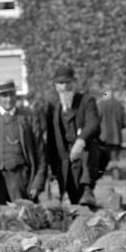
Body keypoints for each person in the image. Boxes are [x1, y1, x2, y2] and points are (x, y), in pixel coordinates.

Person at [0, 81, 46, 205]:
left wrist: (37, 183)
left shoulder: (28, 117)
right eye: (4, 96)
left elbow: (41, 154)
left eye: (12, 95)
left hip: (21, 179)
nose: (9, 99)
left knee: (23, 219)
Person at [38, 65, 102, 206]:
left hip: (84, 159)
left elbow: (93, 124)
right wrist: (52, 166)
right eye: (61, 83)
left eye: (68, 82)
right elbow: (51, 139)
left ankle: (87, 191)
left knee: (84, 203)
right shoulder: (52, 107)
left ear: (74, 83)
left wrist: (80, 142)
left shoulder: (86, 101)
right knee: (68, 204)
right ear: (56, 86)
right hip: (64, 162)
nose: (65, 86)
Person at [95, 86, 126, 179]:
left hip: (103, 138)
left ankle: (100, 175)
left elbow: (95, 122)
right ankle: (116, 176)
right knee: (115, 160)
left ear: (104, 94)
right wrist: (118, 128)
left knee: (101, 160)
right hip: (116, 138)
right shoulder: (119, 105)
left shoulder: (100, 105)